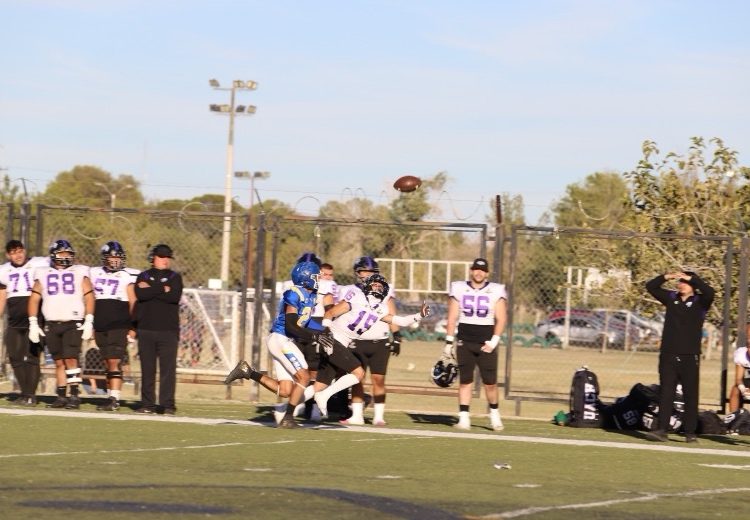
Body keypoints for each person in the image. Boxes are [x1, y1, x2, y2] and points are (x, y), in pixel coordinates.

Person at [224, 260, 324, 428]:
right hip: (281, 338)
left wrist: (324, 330)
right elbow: (291, 325)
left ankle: (247, 372)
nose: (318, 280)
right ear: (306, 278)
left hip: (284, 340)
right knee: (304, 377)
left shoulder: (311, 295)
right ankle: (288, 418)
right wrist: (315, 336)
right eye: (316, 276)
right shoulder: (294, 293)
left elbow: (305, 321)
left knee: (285, 390)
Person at [316, 273, 429, 421]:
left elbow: (400, 321)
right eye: (374, 284)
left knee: (319, 385)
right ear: (367, 286)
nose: (377, 287)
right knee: (359, 373)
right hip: (332, 339)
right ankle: (324, 396)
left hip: (342, 343)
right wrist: (326, 331)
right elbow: (330, 312)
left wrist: (419, 315)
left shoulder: (380, 309)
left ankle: (290, 409)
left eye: (380, 286)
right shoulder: (356, 296)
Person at [644, 270, 715, 442]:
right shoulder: (671, 298)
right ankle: (662, 430)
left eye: (685, 282)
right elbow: (651, 287)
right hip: (668, 354)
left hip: (690, 356)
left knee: (690, 394)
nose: (681, 284)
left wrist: (693, 279)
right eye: (680, 281)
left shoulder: (700, 301)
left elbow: (710, 292)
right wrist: (666, 277)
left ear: (692, 285)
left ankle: (690, 433)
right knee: (666, 392)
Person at [28, 239, 95, 409]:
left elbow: (89, 296)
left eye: (68, 254)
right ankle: (61, 396)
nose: (65, 257)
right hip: (52, 323)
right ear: (53, 255)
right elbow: (34, 298)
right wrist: (33, 323)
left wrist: (89, 320)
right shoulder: (42, 272)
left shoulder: (79, 271)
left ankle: (74, 395)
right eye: (62, 253)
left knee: (71, 358)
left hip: (73, 322)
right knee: (58, 362)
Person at [443, 257, 507, 431]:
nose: (479, 272)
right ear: (471, 270)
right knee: (465, 381)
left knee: (490, 383)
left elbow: (501, 318)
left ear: (487, 273)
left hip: (486, 342)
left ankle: (494, 414)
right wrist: (448, 342)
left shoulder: (496, 290)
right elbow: (452, 317)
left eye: (482, 270)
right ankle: (464, 418)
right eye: (476, 269)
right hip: (465, 340)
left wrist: (494, 341)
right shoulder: (459, 288)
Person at [337, 256, 401, 426]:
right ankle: (357, 415)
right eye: (363, 271)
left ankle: (379, 416)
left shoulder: (385, 289)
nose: (367, 274)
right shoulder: (350, 290)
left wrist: (397, 336)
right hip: (357, 340)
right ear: (357, 272)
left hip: (379, 341)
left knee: (378, 379)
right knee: (357, 378)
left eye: (371, 271)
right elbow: (341, 313)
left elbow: (392, 313)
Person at [134, 244, 183, 415]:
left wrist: (151, 289)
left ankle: (167, 404)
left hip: (168, 331)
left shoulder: (175, 277)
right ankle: (147, 404)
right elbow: (141, 294)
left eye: (167, 257)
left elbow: (174, 296)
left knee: (167, 370)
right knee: (147, 369)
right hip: (146, 329)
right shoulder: (143, 275)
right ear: (153, 258)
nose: (165, 260)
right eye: (161, 257)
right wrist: (162, 289)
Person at [89, 241, 137, 411]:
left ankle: (114, 398)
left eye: (118, 257)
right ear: (104, 258)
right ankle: (110, 396)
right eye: (112, 257)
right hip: (101, 324)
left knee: (114, 361)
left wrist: (133, 327)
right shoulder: (94, 273)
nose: (115, 260)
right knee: (106, 362)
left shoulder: (126, 276)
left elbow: (133, 302)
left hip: (119, 324)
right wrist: (90, 323)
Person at [0, 240, 49, 405]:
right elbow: (2, 296)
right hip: (14, 320)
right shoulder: (3, 270)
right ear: (8, 255)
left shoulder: (39, 263)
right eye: (13, 252)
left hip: (34, 319)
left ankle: (30, 396)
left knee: (33, 357)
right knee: (14, 357)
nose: (18, 255)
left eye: (20, 251)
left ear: (25, 250)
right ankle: (26, 393)